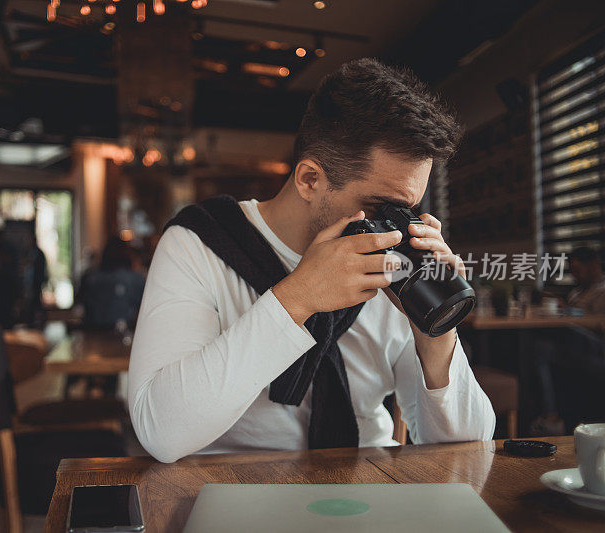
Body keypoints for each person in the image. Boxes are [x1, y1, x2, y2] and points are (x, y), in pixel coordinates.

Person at [128, 58, 495, 463]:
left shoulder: (399, 260)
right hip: (234, 491)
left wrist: (436, 328)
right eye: (380, 206)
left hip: (371, 491)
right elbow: (162, 433)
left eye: (407, 208)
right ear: (309, 179)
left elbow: (466, 452)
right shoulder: (198, 243)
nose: (398, 227)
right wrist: (297, 298)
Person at [531, 247, 605, 435]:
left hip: (595, 346)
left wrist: (571, 318)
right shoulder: (577, 292)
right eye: (572, 271)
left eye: (578, 271)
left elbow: (598, 323)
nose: (575, 275)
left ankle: (552, 416)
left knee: (561, 335)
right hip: (572, 345)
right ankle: (550, 415)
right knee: (541, 347)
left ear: (594, 266)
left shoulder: (602, 291)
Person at [77, 237, 145, 329]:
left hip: (92, 333)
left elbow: (80, 305)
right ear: (128, 255)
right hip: (125, 332)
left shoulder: (90, 277)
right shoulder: (135, 279)